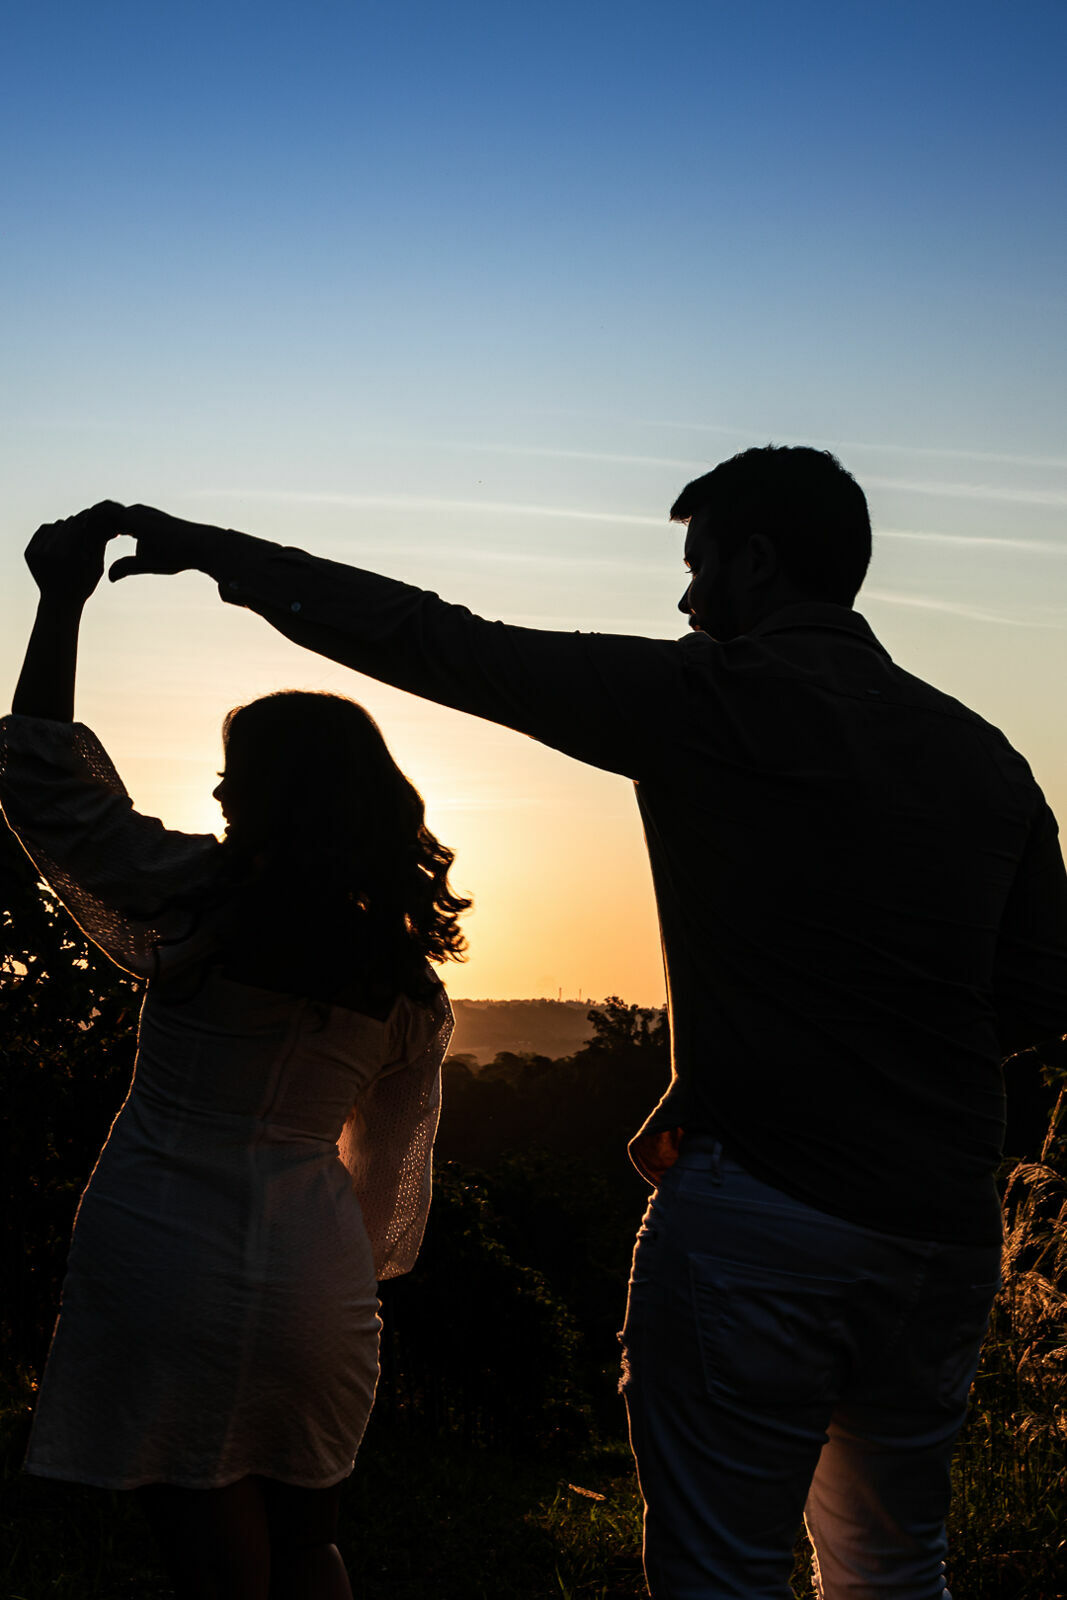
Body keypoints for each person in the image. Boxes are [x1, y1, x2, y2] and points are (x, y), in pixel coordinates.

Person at [73, 444, 1067, 1598]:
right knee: (897, 1565)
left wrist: (212, 554)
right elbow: (1034, 1000)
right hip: (938, 1236)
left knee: (725, 1571)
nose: (687, 604)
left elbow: (435, 639)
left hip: (762, 1222)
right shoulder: (989, 761)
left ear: (756, 562)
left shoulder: (703, 702)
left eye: (700, 572)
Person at [0, 508, 469, 1600]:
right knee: (306, 1545)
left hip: (165, 1260)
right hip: (318, 1288)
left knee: (210, 1566)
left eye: (234, 775)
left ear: (274, 797)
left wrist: (59, 598)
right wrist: (334, 1269)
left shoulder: (195, 894)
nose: (217, 794)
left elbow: (40, 780)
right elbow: (388, 1178)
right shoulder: (408, 987)